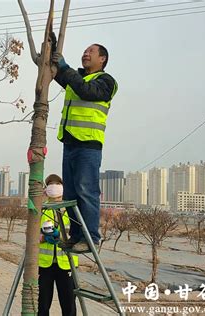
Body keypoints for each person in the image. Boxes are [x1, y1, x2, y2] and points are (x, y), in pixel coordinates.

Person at [52, 44, 118, 253]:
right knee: (71, 194)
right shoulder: (77, 79)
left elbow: (85, 90)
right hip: (70, 142)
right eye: (84, 51)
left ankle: (91, 238)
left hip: (88, 145)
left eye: (91, 52)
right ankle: (76, 236)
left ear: (103, 59)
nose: (85, 54)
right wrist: (52, 51)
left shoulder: (106, 82)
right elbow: (59, 74)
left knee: (86, 191)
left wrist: (65, 67)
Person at [38, 174, 78, 316]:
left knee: (68, 305)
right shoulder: (42, 209)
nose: (54, 187)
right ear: (46, 189)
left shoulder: (72, 210)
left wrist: (59, 237)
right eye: (50, 184)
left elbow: (78, 234)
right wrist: (42, 237)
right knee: (42, 305)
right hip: (45, 265)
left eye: (57, 184)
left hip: (66, 264)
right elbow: (31, 235)